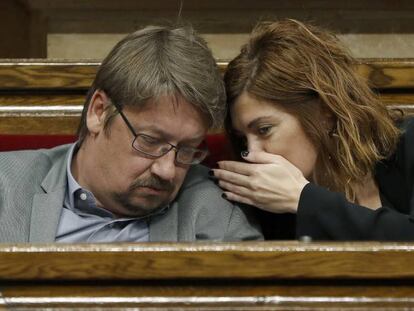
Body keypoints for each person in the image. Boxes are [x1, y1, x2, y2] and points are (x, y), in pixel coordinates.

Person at [0, 25, 262, 243]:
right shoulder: (7, 185)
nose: (167, 171)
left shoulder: (215, 209)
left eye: (187, 149)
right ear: (99, 112)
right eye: (150, 141)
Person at [212, 19, 414, 241]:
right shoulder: (258, 198)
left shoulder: (407, 143)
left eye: (264, 129)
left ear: (324, 112)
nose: (252, 152)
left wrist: (303, 199)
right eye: (243, 139)